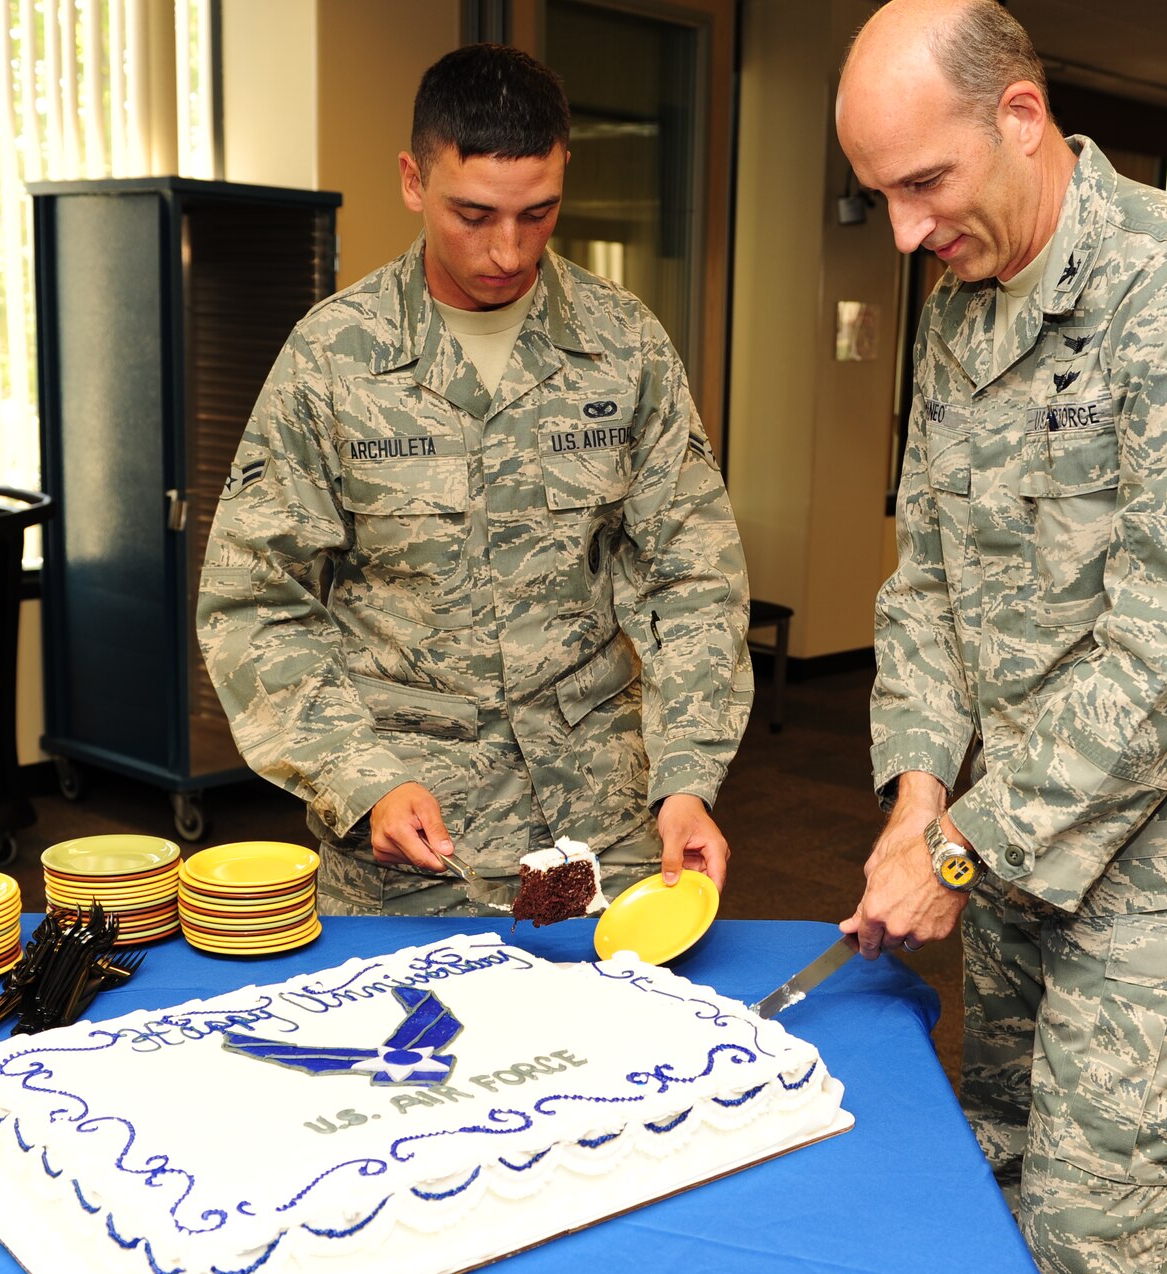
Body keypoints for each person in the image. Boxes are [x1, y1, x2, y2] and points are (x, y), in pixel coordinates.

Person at [834, 4, 1167, 1274]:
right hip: (1007, 846)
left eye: (923, 183)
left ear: (1023, 117)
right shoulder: (956, 310)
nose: (905, 231)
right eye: (880, 194)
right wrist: (922, 791)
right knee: (983, 1168)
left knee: (1096, 1243)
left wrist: (960, 847)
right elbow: (926, 576)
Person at [196, 44, 752, 917]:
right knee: (411, 1055)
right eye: (474, 213)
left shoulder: (625, 347)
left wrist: (687, 776)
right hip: (410, 841)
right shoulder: (332, 360)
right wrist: (359, 776)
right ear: (414, 180)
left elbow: (695, 575)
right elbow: (255, 603)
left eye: (539, 214)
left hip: (602, 830)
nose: (508, 249)